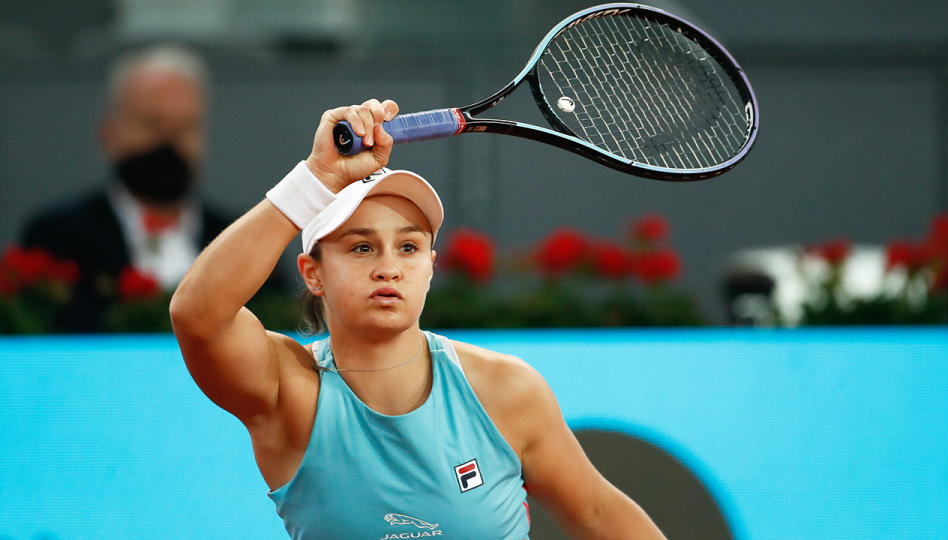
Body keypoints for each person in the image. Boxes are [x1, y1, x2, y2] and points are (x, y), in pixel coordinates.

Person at [170, 99, 667, 539]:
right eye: (361, 246)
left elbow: (599, 514)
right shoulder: (284, 391)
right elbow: (198, 316)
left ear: (430, 266)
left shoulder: (508, 390)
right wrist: (317, 179)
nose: (388, 266)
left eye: (409, 247)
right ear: (312, 274)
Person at [19, 45, 234, 331]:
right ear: (108, 133)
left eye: (185, 127)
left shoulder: (236, 238)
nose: (169, 142)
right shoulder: (57, 239)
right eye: (152, 124)